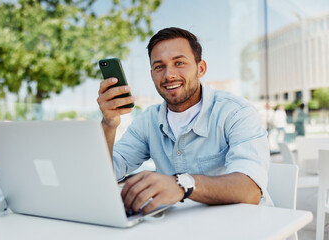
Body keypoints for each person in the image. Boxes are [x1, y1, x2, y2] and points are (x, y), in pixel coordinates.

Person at [97, 27, 271, 215]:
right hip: (182, 226)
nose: (169, 75)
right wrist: (109, 124)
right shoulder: (147, 121)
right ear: (152, 74)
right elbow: (105, 173)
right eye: (159, 66)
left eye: (179, 63)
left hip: (244, 225)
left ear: (201, 68)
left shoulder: (235, 112)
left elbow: (250, 190)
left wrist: (182, 185)